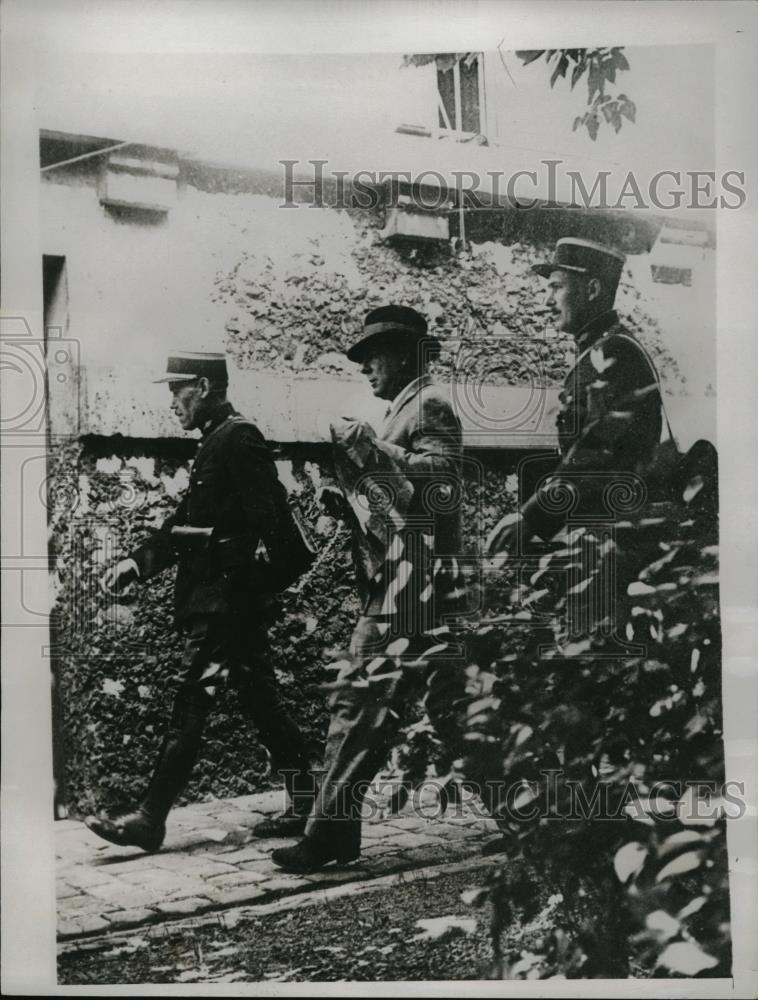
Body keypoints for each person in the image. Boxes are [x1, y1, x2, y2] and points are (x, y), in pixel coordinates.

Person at [258, 305, 466, 872]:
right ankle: (534, 816)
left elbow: (438, 485)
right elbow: (391, 501)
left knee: (357, 704)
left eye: (372, 356)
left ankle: (328, 835)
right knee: (458, 711)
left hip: (410, 587)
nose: (365, 368)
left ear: (402, 354)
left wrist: (372, 451)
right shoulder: (407, 406)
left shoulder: (431, 403)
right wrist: (350, 498)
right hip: (406, 582)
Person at [85, 351, 312, 851]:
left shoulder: (239, 439)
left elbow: (276, 529)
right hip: (226, 607)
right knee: (260, 698)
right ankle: (308, 801)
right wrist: (137, 563)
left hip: (223, 608)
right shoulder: (215, 441)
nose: (172, 401)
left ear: (204, 386)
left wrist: (247, 590)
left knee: (193, 698)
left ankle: (150, 818)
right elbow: (186, 524)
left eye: (177, 389)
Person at [486, 237, 663, 558]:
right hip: (604, 530)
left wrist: (532, 517)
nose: (546, 301)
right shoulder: (599, 350)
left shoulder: (615, 352)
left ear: (592, 290)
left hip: (619, 536)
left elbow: (595, 452)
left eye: (556, 287)